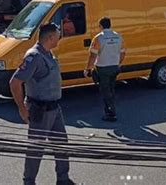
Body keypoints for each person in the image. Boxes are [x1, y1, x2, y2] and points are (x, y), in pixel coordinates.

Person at [9, 23, 75, 185]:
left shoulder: (48, 53)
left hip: (54, 107)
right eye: (58, 35)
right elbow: (15, 82)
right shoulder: (35, 56)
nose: (60, 37)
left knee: (61, 145)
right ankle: (29, 181)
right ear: (50, 37)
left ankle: (63, 179)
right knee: (36, 149)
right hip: (40, 109)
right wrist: (22, 109)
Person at [84, 17, 125, 122]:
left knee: (105, 90)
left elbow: (93, 55)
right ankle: (110, 108)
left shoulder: (98, 38)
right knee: (111, 88)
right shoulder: (118, 37)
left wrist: (88, 68)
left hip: (103, 68)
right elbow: (123, 52)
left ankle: (111, 112)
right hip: (114, 67)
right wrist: (118, 63)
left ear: (101, 26)